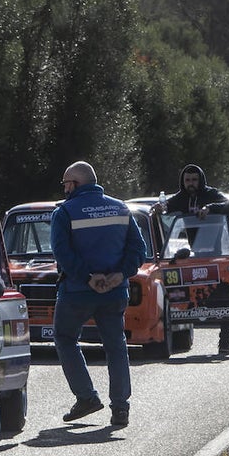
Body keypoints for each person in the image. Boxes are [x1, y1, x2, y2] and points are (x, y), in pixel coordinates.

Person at [50, 160, 146, 428]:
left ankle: (86, 397)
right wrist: (120, 274)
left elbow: (62, 253)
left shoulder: (64, 212)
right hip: (115, 292)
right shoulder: (120, 208)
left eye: (66, 184)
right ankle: (121, 408)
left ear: (75, 183)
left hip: (77, 292)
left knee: (65, 338)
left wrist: (88, 278)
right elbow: (138, 249)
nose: (65, 189)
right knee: (116, 346)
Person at [153, 163, 229, 355]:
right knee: (205, 299)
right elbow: (167, 207)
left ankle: (225, 341)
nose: (191, 183)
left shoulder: (211, 194)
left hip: (219, 254)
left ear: (201, 180)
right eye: (187, 180)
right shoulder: (181, 198)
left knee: (223, 297)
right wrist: (160, 207)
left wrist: (210, 208)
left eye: (194, 180)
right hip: (196, 254)